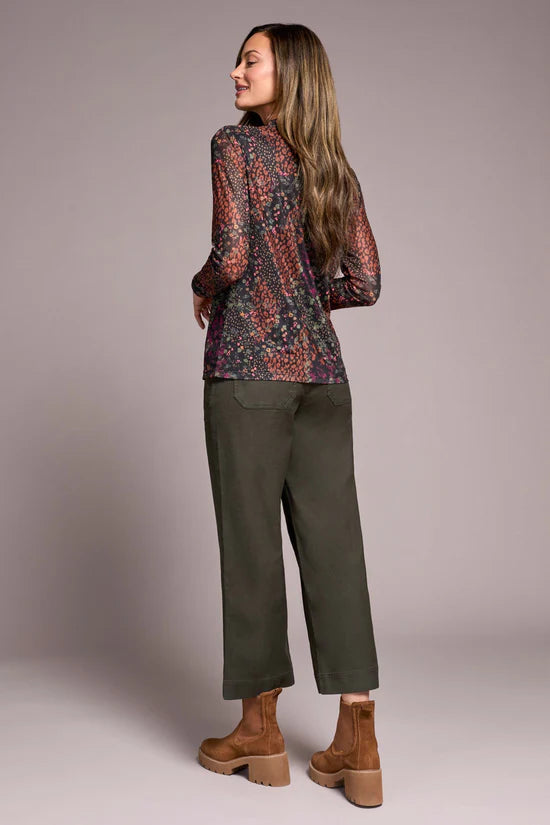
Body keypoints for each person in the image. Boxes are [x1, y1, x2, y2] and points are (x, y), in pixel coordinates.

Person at [192, 23, 383, 807]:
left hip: (247, 371)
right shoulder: (332, 165)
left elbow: (232, 254)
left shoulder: (234, 146)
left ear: (290, 73)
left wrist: (201, 286)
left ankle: (259, 729)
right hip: (324, 378)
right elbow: (365, 280)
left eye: (251, 60)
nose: (236, 72)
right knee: (336, 545)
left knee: (252, 542)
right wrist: (308, 302)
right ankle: (358, 736)